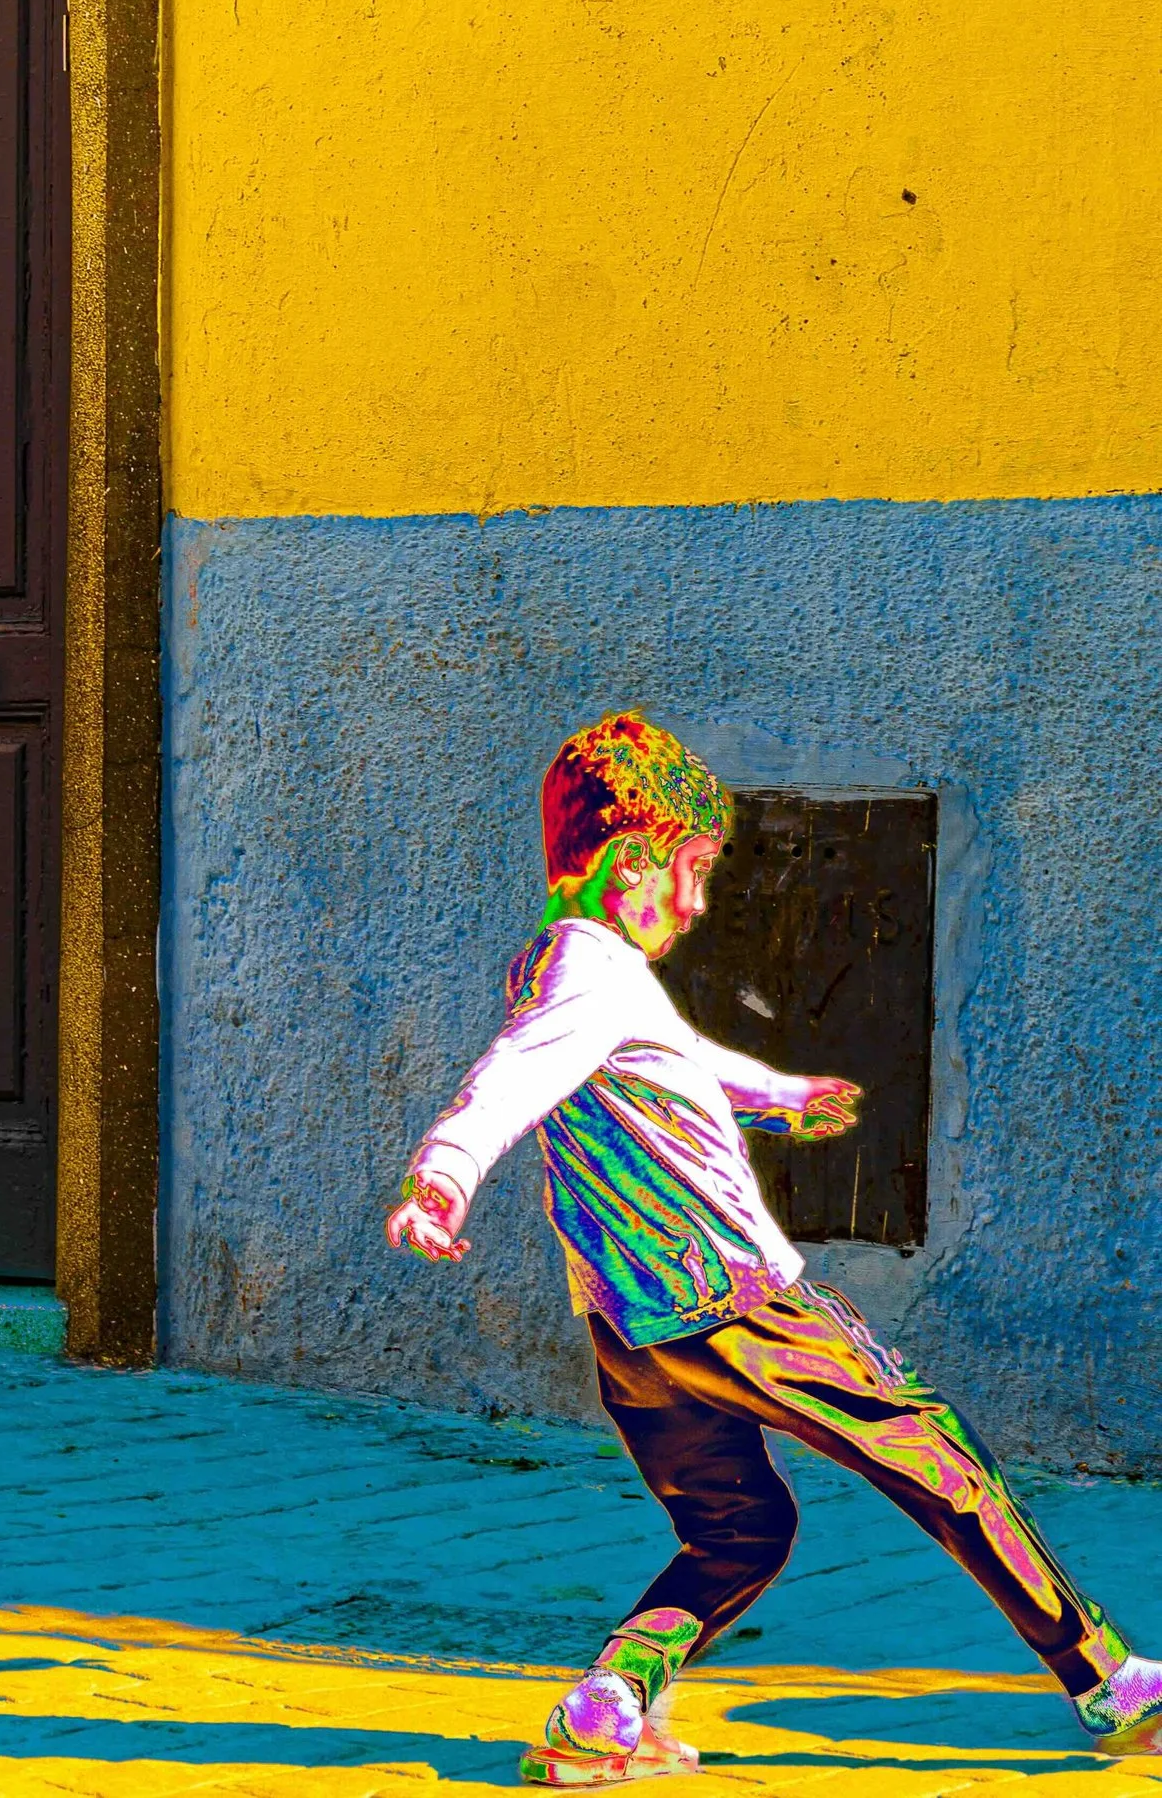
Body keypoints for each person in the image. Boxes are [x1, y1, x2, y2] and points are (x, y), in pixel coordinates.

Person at [386, 710, 1162, 1785]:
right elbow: (509, 1079)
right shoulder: (586, 978)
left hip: (634, 1337)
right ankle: (1110, 1681)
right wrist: (445, 1172)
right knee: (944, 1466)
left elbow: (677, 1056)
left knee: (738, 1529)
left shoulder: (575, 967)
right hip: (742, 1307)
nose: (698, 904)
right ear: (626, 865)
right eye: (692, 873)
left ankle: (605, 1709)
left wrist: (780, 1095)